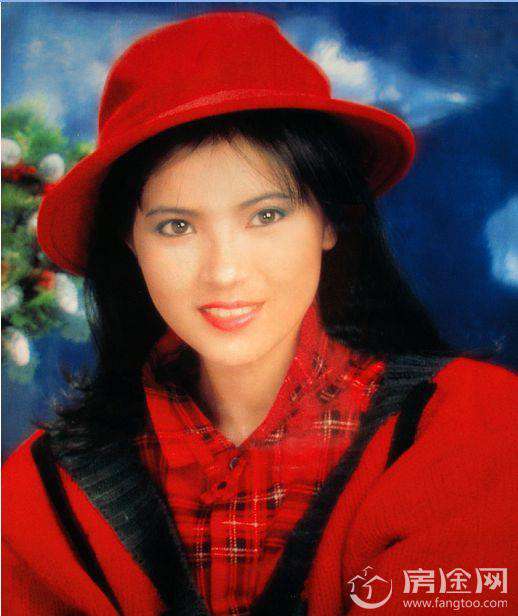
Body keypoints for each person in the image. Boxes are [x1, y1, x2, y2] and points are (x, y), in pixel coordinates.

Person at [3, 11, 517, 616]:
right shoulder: (44, 493)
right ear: (130, 242)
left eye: (266, 216)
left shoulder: (469, 428)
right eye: (176, 226)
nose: (224, 271)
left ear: (328, 220)